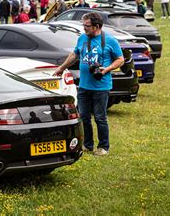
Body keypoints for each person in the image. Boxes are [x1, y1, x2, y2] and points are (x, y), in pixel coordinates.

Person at [53, 12, 124, 156]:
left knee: (100, 117)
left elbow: (120, 59)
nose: (84, 28)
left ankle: (104, 147)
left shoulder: (110, 40)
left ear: (96, 26)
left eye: (87, 26)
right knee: (84, 116)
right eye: (83, 25)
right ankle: (88, 144)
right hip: (84, 85)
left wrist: (107, 69)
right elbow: (74, 54)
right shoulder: (82, 38)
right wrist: (62, 68)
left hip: (101, 86)